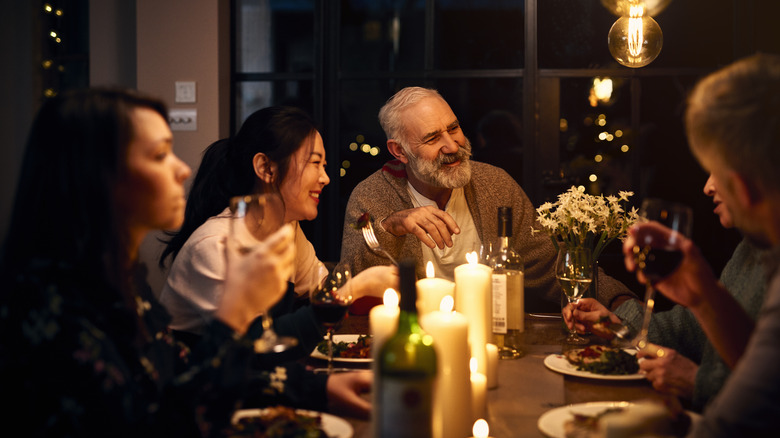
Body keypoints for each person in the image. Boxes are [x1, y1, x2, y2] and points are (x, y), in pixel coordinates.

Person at [0, 88, 373, 436]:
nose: (181, 169)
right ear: (99, 177)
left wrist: (317, 387)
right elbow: (164, 423)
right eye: (160, 155)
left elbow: (180, 375)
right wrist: (233, 315)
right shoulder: (55, 316)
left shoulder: (124, 285)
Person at [338, 86, 636, 312]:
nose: (451, 145)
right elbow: (352, 287)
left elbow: (548, 264)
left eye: (453, 128)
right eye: (432, 138)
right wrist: (391, 226)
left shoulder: (495, 183)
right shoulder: (370, 197)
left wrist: (617, 301)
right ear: (399, 151)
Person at [619, 53, 780, 436]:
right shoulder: (762, 251)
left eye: (716, 170)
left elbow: (736, 424)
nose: (707, 186)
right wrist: (705, 295)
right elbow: (768, 381)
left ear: (742, 184)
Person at [159, 106, 395, 356]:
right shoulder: (214, 244)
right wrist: (355, 288)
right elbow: (252, 348)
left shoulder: (287, 228)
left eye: (324, 165)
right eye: (315, 163)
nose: (325, 178)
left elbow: (320, 292)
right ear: (266, 168)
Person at [564, 173, 767, 411]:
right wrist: (616, 326)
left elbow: (769, 395)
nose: (707, 187)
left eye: (718, 170)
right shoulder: (752, 248)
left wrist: (695, 382)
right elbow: (694, 329)